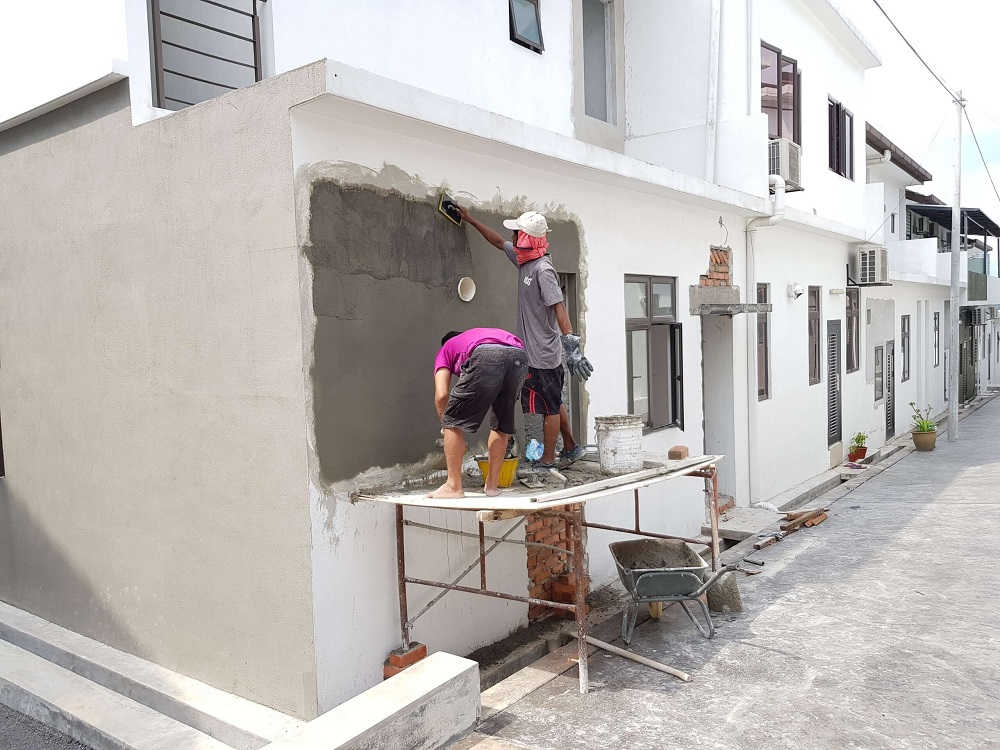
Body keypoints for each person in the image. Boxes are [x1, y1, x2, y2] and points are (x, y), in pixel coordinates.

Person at [459, 206, 593, 468]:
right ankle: (570, 447)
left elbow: (559, 307)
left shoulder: (543, 270)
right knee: (553, 401)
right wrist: (470, 219)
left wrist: (572, 345)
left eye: (517, 233)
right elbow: (498, 242)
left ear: (527, 238)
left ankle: (548, 459)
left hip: (544, 355)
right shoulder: (524, 260)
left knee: (549, 408)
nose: (513, 237)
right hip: (530, 352)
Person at [430, 328, 528, 499]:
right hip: (519, 355)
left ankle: (453, 487)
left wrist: (446, 426)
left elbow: (442, 395)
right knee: (501, 422)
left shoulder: (446, 348)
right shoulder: (474, 338)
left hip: (486, 354)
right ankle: (492, 486)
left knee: (452, 421)